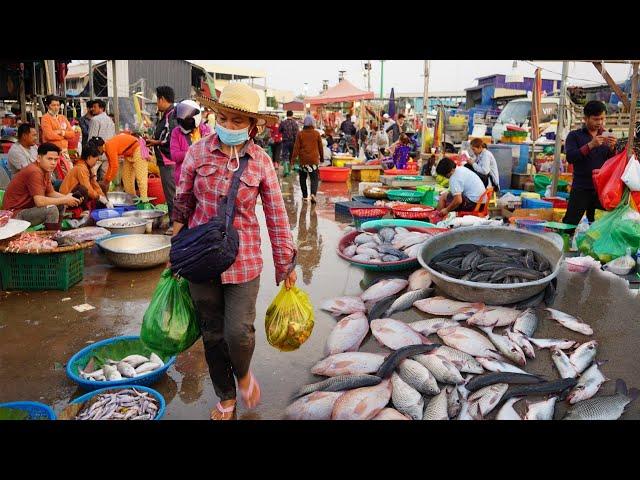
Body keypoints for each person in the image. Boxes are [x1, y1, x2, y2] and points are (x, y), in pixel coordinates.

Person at [172, 82, 297, 420]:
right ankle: (226, 394)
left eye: (237, 122)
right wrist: (176, 242)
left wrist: (285, 262)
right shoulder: (197, 153)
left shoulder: (261, 163)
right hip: (201, 258)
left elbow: (276, 215)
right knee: (211, 332)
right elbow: (182, 201)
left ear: (252, 127)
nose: (227, 126)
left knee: (238, 332)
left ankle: (242, 373)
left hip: (243, 260)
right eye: (223, 118)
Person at [563, 100, 617, 225]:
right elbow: (570, 157)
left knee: (598, 227)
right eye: (596, 119)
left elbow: (611, 162)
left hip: (601, 189)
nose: (600, 122)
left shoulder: (606, 136)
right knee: (570, 224)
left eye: (602, 119)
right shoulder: (574, 136)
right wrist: (590, 145)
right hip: (581, 187)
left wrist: (613, 148)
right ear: (585, 118)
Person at [2, 143, 80, 229]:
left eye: (55, 159)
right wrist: (65, 199)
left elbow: (51, 193)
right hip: (14, 214)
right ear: (39, 158)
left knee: (62, 203)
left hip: (27, 209)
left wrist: (69, 199)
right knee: (52, 210)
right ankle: (50, 239)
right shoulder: (34, 171)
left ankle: (57, 231)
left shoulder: (45, 170)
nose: (53, 163)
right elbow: (39, 201)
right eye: (49, 159)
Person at [146, 86, 177, 233]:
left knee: (172, 195)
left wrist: (155, 142)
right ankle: (175, 223)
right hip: (166, 160)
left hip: (168, 161)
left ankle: (174, 225)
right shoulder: (166, 115)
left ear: (162, 99)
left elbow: (170, 138)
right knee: (171, 194)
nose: (156, 104)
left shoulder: (171, 115)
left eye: (157, 100)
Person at [59, 144, 113, 211]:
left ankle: (101, 209)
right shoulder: (81, 168)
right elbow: (88, 188)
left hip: (74, 193)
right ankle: (80, 211)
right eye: (96, 160)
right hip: (66, 197)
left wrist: (105, 199)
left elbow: (95, 184)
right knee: (84, 190)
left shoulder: (87, 167)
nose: (96, 162)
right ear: (89, 157)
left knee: (102, 186)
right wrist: (100, 197)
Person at [170, 99, 210, 185]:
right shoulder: (176, 132)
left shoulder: (207, 130)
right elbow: (174, 156)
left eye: (187, 119)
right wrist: (194, 152)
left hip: (204, 180)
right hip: (183, 179)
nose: (183, 122)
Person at [103, 132, 149, 200]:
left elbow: (115, 166)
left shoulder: (109, 146)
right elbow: (111, 165)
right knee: (126, 178)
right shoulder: (106, 148)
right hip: (128, 154)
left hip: (138, 149)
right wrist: (106, 179)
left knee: (141, 178)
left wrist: (107, 181)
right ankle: (132, 199)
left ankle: (144, 200)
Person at [291, 115, 323, 203]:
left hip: (303, 161)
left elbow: (296, 147)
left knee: (302, 178)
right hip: (314, 160)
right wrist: (322, 158)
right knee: (314, 178)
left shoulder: (300, 134)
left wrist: (293, 159)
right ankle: (313, 194)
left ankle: (305, 196)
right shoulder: (316, 133)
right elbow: (320, 147)